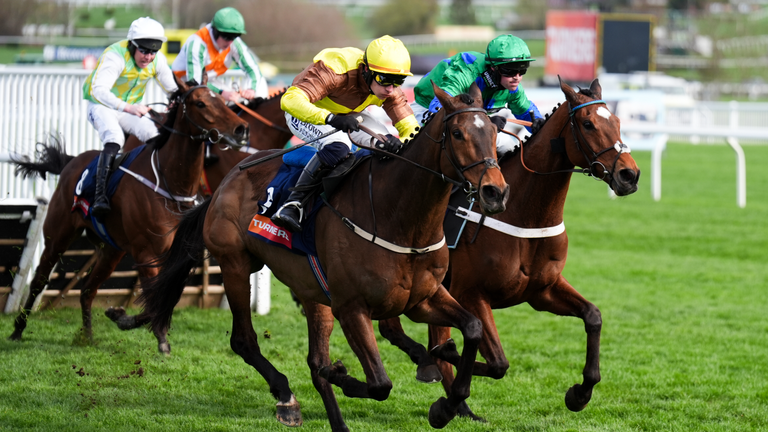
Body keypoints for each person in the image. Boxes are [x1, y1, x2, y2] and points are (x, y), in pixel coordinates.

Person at [271, 35, 420, 233]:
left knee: (386, 147)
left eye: (398, 81)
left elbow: (411, 128)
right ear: (366, 69)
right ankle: (293, 204)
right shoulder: (337, 68)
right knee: (340, 146)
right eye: (384, 80)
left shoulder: (389, 87)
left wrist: (405, 143)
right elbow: (289, 100)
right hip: (306, 111)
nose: (390, 89)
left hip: (349, 113)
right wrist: (330, 118)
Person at [83, 17, 178, 218]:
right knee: (115, 137)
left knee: (153, 135)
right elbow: (98, 91)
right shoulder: (115, 56)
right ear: (132, 45)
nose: (148, 57)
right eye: (144, 51)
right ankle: (100, 197)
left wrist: (175, 100)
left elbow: (173, 89)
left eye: (153, 52)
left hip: (129, 110)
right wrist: (128, 107)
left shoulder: (157, 60)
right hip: (101, 106)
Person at [412, 34, 545, 155]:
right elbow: (439, 109)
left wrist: (539, 123)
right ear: (493, 67)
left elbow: (526, 112)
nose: (517, 77)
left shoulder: (512, 88)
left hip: (471, 122)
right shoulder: (466, 73)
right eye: (510, 71)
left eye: (522, 70)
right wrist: (486, 122)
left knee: (511, 147)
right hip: (426, 109)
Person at [171, 7, 268, 103]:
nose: (230, 42)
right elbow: (196, 83)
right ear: (215, 31)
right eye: (227, 37)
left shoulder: (234, 43)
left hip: (208, 83)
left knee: (238, 99)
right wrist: (221, 93)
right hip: (179, 85)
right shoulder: (197, 43)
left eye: (235, 36)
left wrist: (251, 89)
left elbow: (253, 69)